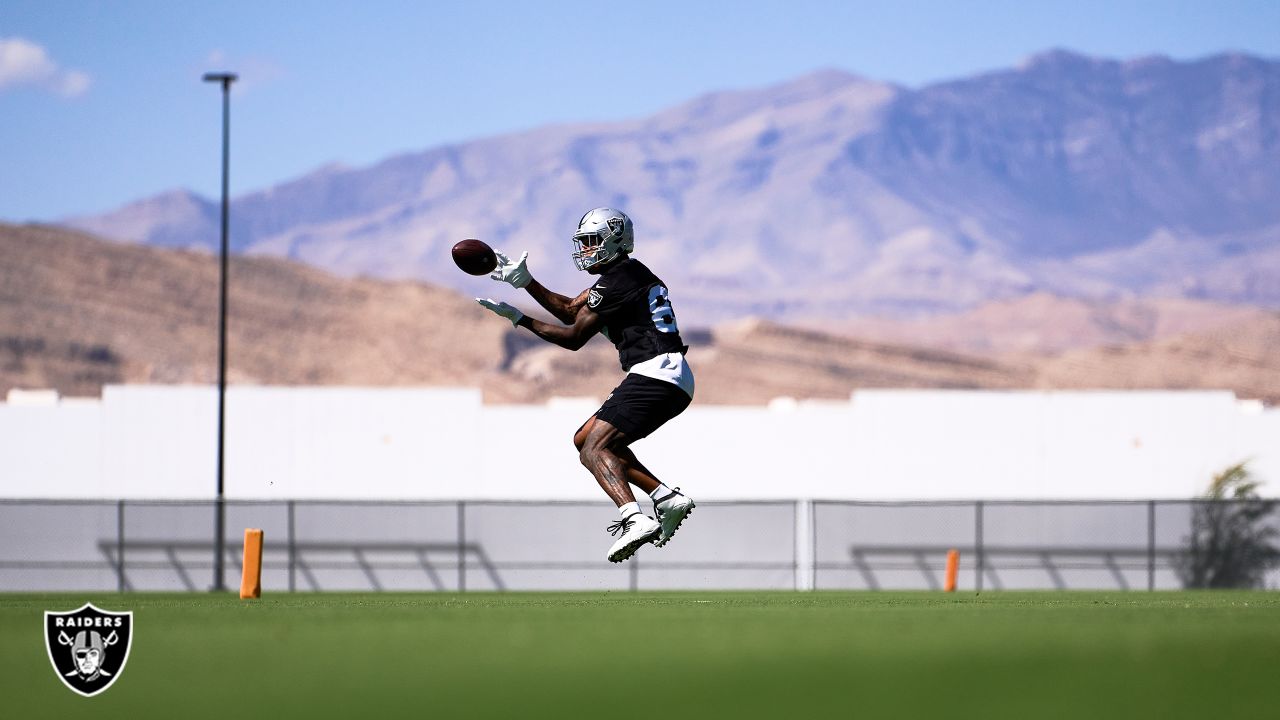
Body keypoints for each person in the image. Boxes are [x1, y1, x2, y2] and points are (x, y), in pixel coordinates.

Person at [476, 208, 696, 563]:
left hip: (657, 373)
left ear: (615, 241)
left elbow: (574, 336)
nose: (587, 250)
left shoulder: (620, 279)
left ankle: (634, 518)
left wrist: (520, 318)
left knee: (594, 449)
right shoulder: (623, 277)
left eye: (593, 242)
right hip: (665, 375)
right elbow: (570, 310)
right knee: (584, 439)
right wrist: (525, 282)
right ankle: (665, 497)